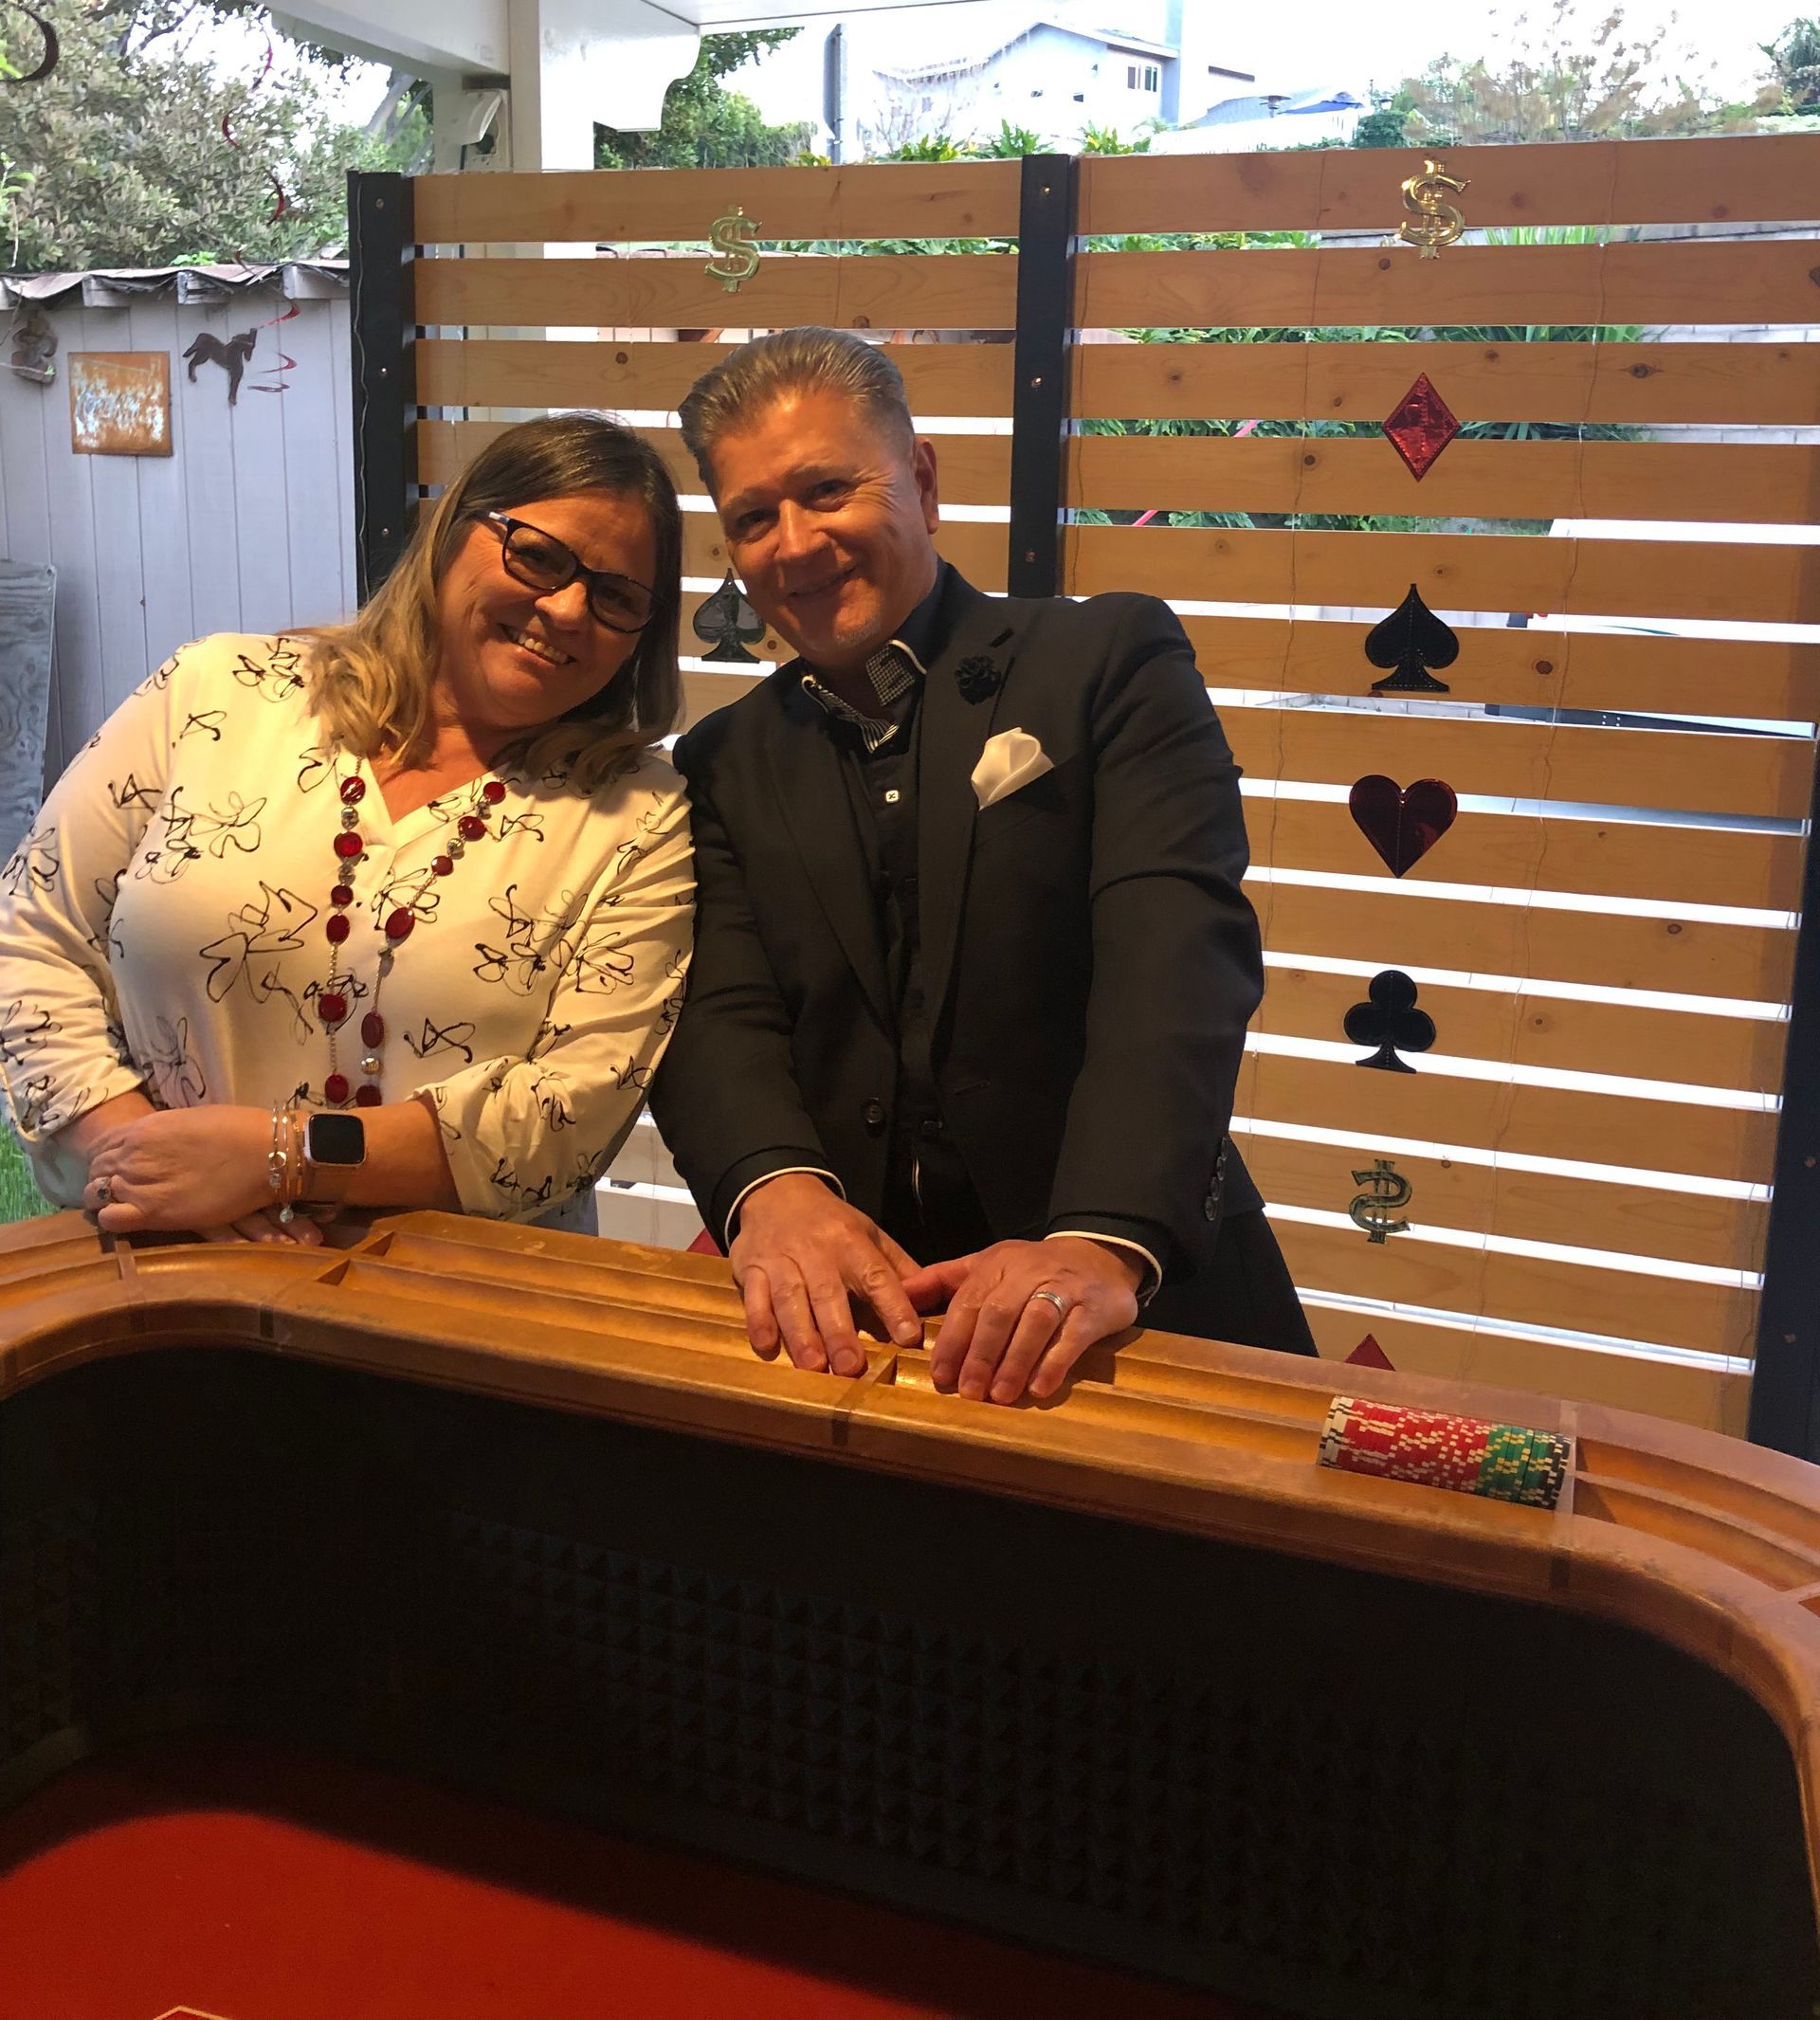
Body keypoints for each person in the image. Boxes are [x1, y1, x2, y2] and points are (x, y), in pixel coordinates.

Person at [650, 327, 1315, 1408]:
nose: (794, 544)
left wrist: (1101, 1238)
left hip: (1132, 1306)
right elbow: (717, 1006)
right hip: (859, 1326)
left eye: (827, 490)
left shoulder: (1109, 664)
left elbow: (1176, 958)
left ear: (920, 480)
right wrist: (770, 1188)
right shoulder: (721, 760)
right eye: (752, 518)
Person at [0, 413, 692, 1246]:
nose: (570, 608)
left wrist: (279, 1159)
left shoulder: (639, 814)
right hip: (154, 1261)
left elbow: (569, 1110)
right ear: (452, 532)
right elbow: (32, 932)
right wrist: (142, 1159)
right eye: (539, 556)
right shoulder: (215, 691)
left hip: (449, 1304)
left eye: (617, 597)